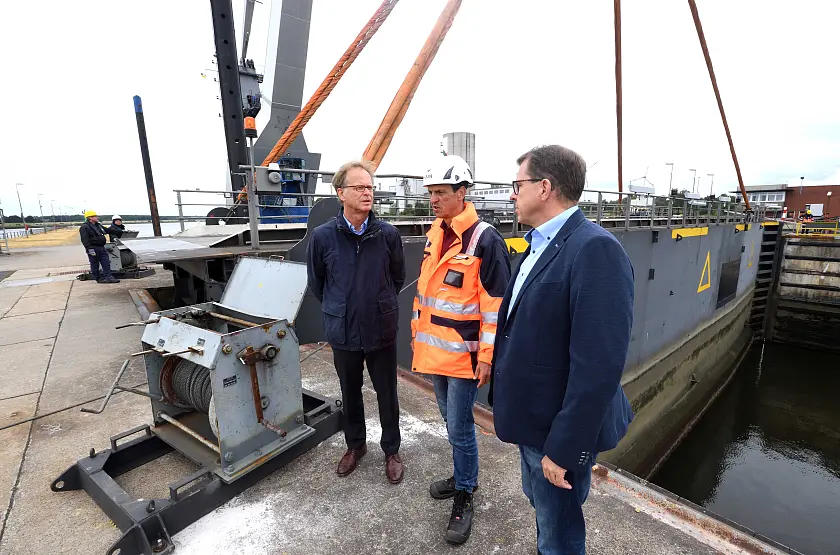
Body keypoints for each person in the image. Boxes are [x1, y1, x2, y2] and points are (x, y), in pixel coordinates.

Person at [489, 145, 634, 555]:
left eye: (518, 185)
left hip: (557, 435)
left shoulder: (595, 249)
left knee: (561, 539)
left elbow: (599, 366)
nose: (512, 194)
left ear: (545, 187)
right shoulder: (536, 246)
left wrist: (564, 449)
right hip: (533, 423)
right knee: (544, 515)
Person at [410, 155, 511, 544]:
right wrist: (418, 333)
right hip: (435, 352)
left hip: (465, 355)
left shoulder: (485, 240)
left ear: (461, 193)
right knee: (451, 424)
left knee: (460, 427)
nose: (433, 200)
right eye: (430, 193)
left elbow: (494, 306)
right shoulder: (437, 231)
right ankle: (462, 474)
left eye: (440, 193)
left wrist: (486, 357)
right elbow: (427, 291)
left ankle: (466, 492)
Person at [306, 160, 407, 484]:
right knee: (350, 391)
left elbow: (397, 277)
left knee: (387, 392)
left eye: (370, 187)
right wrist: (341, 307)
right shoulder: (322, 238)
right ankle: (356, 445)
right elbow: (317, 283)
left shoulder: (387, 234)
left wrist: (377, 304)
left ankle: (391, 450)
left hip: (380, 328)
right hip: (344, 330)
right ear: (341, 193)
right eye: (360, 187)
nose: (367, 193)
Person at [79, 210, 119, 284]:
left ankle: (109, 277)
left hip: (101, 247)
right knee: (95, 264)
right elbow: (85, 240)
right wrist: (90, 249)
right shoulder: (84, 227)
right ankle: (98, 278)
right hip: (93, 248)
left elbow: (107, 230)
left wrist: (119, 231)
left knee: (106, 262)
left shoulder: (98, 225)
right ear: (89, 218)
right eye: (95, 216)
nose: (97, 217)